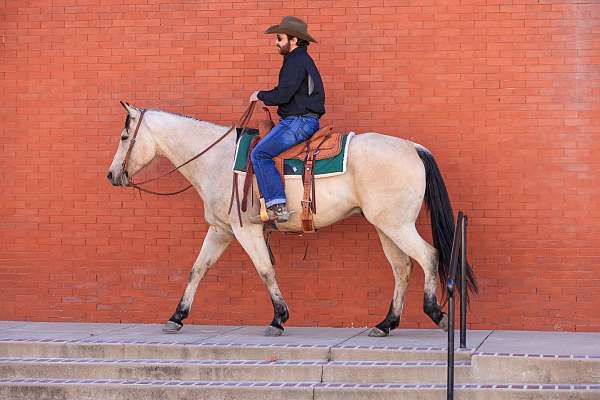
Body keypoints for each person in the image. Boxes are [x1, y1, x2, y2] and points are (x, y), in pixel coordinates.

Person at [249, 16, 325, 223]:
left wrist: (260, 95)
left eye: (279, 38)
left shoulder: (296, 61)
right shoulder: (300, 60)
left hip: (298, 121)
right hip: (301, 119)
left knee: (260, 154)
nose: (276, 42)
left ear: (294, 40)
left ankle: (277, 206)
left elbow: (283, 95)